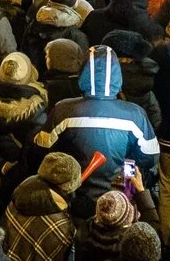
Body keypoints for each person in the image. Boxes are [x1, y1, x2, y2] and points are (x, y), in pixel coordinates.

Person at [41, 45, 160, 217]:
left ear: (83, 72)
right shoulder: (135, 114)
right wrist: (128, 182)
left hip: (75, 196)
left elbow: (43, 150)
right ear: (117, 75)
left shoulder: (63, 109)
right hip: (120, 198)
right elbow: (149, 158)